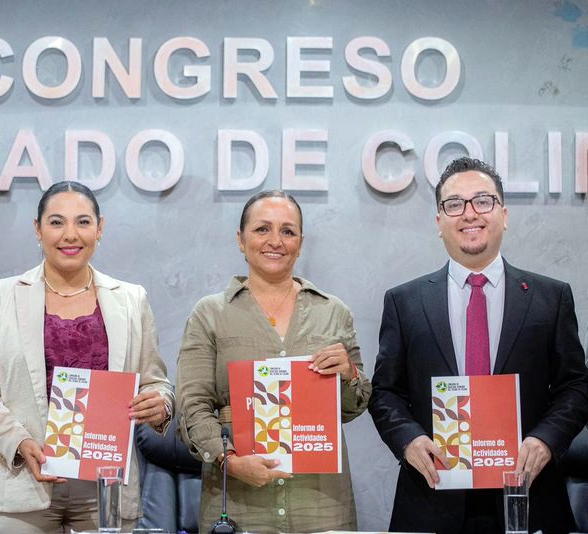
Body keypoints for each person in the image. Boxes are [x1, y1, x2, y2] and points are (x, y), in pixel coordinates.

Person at [368, 157, 588, 533]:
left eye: (482, 201)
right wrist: (410, 440)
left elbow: (576, 386)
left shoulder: (550, 298)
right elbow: (385, 392)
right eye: (454, 204)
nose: (469, 213)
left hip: (528, 496)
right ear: (439, 222)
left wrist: (544, 440)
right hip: (433, 496)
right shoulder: (404, 302)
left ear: (503, 214)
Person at [0, 181, 174, 533]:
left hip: (106, 486)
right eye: (57, 222)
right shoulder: (1, 295)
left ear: (100, 228)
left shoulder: (131, 299)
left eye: (83, 222)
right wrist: (19, 442)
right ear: (37, 229)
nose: (70, 235)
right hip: (23, 481)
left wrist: (161, 404)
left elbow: (156, 382)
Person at [176, 190, 371, 533]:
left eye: (288, 231)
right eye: (262, 229)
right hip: (237, 500)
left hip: (320, 501)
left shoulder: (333, 312)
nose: (275, 241)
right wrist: (229, 462)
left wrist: (349, 373)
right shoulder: (210, 314)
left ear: (301, 241)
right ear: (241, 239)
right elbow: (192, 405)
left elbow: (353, 407)